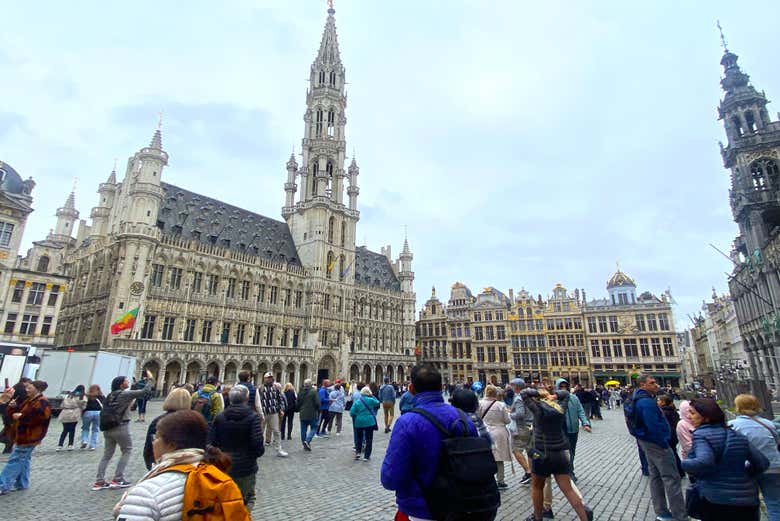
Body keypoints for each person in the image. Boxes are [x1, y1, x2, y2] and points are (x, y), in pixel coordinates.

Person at [381, 364, 498, 521]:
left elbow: (390, 478)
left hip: (424, 509)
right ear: (441, 387)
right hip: (464, 505)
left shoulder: (407, 422)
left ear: (411, 389)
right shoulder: (463, 418)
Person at [113, 409, 250, 521]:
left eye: (157, 437)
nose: (153, 442)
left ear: (172, 445)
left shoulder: (147, 492)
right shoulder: (219, 478)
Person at [682, 397, 769, 521]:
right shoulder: (737, 435)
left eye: (692, 413)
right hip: (747, 499)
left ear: (706, 417)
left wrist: (683, 464)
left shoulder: (701, 435)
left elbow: (704, 461)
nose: (689, 416)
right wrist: (744, 473)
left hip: (716, 499)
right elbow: (762, 462)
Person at [521, 386, 592, 521]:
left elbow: (524, 393)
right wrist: (554, 395)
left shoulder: (538, 409)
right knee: (568, 490)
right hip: (560, 453)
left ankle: (538, 517)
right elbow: (566, 394)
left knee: (537, 487)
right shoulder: (560, 409)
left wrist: (539, 393)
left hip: (542, 453)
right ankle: (584, 518)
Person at [628, 374, 686, 521]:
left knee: (655, 476)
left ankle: (661, 511)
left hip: (646, 441)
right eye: (652, 383)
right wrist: (663, 441)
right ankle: (680, 515)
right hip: (656, 443)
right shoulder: (646, 402)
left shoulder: (638, 399)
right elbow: (653, 425)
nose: (656, 385)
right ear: (642, 385)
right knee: (671, 478)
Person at [93, 371, 154, 491]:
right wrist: (150, 379)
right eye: (126, 381)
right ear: (121, 384)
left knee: (107, 454)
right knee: (127, 450)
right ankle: (118, 479)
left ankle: (99, 481)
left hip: (108, 427)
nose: (128, 382)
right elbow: (145, 392)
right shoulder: (125, 394)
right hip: (121, 426)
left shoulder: (110, 395)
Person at [209, 385, 265, 511]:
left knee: (224, 499)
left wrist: (219, 456)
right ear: (247, 399)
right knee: (246, 499)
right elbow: (257, 444)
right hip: (245, 466)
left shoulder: (220, 417)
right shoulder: (253, 417)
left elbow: (211, 442)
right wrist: (251, 456)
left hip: (224, 464)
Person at [729, 394, 780, 521]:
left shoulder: (733, 425)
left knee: (749, 504)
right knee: (775, 503)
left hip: (747, 468)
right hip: (773, 466)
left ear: (738, 407)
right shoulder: (768, 424)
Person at [0, 380, 51, 495]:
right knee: (24, 458)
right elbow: (16, 413)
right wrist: (13, 408)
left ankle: (3, 485)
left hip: (30, 436)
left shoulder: (42, 402)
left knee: (16, 459)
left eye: (29, 388)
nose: (27, 390)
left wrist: (21, 416)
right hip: (22, 435)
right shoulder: (29, 400)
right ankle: (22, 483)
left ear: (37, 389)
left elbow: (40, 418)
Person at [143, 387, 192, 470]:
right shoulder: (191, 421)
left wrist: (149, 462)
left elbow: (149, 444)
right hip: (183, 464)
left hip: (160, 462)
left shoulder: (158, 420)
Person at [554, 378, 591, 482]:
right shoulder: (555, 400)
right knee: (567, 451)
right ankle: (569, 472)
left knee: (572, 451)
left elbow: (580, 411)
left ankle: (568, 470)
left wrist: (585, 423)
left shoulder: (574, 398)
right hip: (561, 429)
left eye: (565, 387)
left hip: (573, 429)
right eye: (561, 387)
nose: (563, 389)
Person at [478, 384, 512, 489]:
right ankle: (500, 480)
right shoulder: (501, 405)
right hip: (499, 432)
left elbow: (477, 418)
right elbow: (507, 420)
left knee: (486, 456)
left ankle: (487, 479)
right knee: (499, 458)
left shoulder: (479, 403)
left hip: (484, 431)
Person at [509, 378, 533, 486]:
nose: (511, 387)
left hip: (522, 427)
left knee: (516, 450)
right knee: (530, 450)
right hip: (531, 425)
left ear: (517, 387)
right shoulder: (529, 395)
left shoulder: (519, 398)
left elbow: (520, 414)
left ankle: (528, 472)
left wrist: (510, 415)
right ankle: (534, 472)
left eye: (512, 385)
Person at [259, 372, 287, 457]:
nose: (270, 379)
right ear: (265, 378)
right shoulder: (260, 388)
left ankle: (279, 449)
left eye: (271, 378)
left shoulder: (276, 388)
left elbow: (280, 399)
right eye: (268, 378)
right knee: (260, 431)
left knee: (276, 431)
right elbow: (257, 400)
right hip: (263, 413)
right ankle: (257, 448)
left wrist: (281, 409)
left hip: (273, 413)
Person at [657, 394, 684, 477]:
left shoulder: (664, 412)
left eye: (659, 400)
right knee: (673, 453)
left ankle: (677, 471)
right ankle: (680, 470)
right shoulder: (673, 411)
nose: (657, 402)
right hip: (673, 436)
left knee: (671, 455)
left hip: (668, 436)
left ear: (663, 402)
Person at [350, 385, 380, 461]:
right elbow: (378, 403)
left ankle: (358, 453)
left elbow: (352, 412)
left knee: (359, 438)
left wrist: (357, 415)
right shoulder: (371, 400)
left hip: (359, 422)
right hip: (369, 422)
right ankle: (366, 456)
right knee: (369, 439)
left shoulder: (357, 401)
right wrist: (372, 396)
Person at [56, 384, 86, 451]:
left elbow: (62, 405)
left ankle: (60, 445)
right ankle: (70, 445)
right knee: (72, 430)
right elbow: (83, 406)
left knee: (65, 430)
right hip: (74, 413)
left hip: (65, 413)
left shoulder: (69, 395)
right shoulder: (81, 396)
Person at [295, 378, 321, 451]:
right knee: (314, 427)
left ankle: (304, 444)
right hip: (312, 413)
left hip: (303, 413)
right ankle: (307, 440)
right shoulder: (314, 392)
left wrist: (298, 409)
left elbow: (297, 402)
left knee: (303, 429)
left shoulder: (300, 392)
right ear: (310, 384)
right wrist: (318, 409)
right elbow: (317, 403)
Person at [81, 384, 104, 450]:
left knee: (85, 428)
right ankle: (93, 445)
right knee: (95, 429)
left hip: (88, 412)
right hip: (98, 413)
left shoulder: (87, 396)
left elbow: (83, 404)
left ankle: (84, 440)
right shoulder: (101, 396)